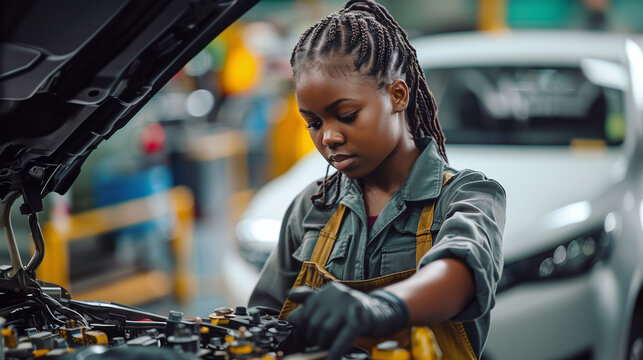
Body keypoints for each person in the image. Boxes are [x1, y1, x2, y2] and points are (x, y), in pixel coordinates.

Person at [249, 1, 506, 359]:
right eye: (314, 123)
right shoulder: (312, 208)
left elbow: (462, 271)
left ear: (397, 96)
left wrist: (380, 309)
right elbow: (262, 317)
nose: (329, 138)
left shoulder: (466, 195)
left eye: (347, 115)